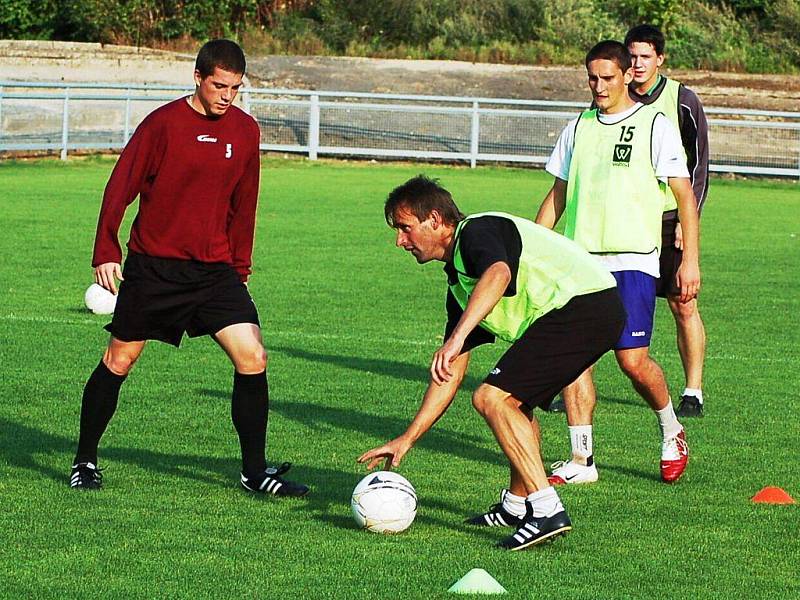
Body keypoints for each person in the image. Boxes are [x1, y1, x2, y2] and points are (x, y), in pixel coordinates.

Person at [69, 39, 308, 498]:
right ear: (198, 78)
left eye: (235, 88)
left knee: (253, 356)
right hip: (155, 268)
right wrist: (106, 250)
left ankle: (254, 473)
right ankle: (84, 459)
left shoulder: (245, 130)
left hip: (215, 271)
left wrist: (240, 266)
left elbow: (246, 203)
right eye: (219, 85)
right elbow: (119, 188)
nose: (227, 96)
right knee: (120, 360)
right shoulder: (162, 125)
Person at [357, 175, 626, 550]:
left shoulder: (475, 231)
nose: (400, 241)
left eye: (405, 228)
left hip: (585, 306)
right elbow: (450, 373)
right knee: (513, 402)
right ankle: (518, 506)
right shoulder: (460, 281)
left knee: (491, 398)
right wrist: (408, 437)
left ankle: (547, 509)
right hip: (586, 310)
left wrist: (454, 338)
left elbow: (499, 273)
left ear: (435, 220)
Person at [535, 40, 700, 485]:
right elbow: (558, 195)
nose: (599, 86)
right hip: (581, 262)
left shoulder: (654, 124)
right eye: (592, 77)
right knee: (575, 360)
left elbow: (684, 194)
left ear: (628, 75)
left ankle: (671, 429)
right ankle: (581, 458)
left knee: (632, 361)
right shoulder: (579, 127)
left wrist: (690, 261)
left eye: (608, 77)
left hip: (633, 261)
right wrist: (534, 249)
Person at [626, 24, 709, 418]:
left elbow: (700, 166)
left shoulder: (683, 101)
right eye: (632, 56)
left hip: (670, 218)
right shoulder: (614, 98)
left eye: (645, 56)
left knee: (683, 303)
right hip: (626, 222)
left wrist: (686, 220)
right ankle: (565, 384)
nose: (638, 64)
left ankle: (693, 390)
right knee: (597, 304)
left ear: (660, 58)